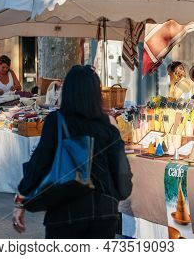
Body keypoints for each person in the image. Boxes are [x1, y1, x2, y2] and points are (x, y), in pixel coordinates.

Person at [12, 65, 133, 239]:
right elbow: (122, 175)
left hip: (65, 213)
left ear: (67, 91)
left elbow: (39, 163)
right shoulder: (108, 125)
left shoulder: (56, 121)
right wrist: (114, 196)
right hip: (104, 214)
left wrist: (21, 199)